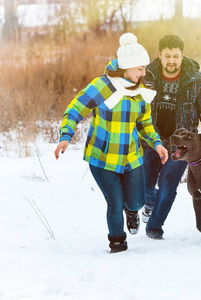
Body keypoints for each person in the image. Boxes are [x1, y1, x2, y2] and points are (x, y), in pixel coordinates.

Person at [54, 33, 168, 254]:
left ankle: (132, 210)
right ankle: (117, 242)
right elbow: (75, 109)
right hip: (102, 158)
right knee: (114, 203)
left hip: (131, 157)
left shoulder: (140, 91)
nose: (144, 73)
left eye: (144, 68)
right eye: (140, 68)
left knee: (135, 202)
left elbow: (145, 124)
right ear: (126, 67)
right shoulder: (102, 86)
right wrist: (66, 136)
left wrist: (157, 144)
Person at [140, 35, 201, 240]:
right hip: (150, 140)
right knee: (145, 184)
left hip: (182, 147)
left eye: (176, 56)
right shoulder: (145, 77)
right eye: (167, 56)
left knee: (168, 185)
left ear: (182, 55)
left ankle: (154, 228)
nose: (171, 61)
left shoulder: (198, 81)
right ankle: (149, 202)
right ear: (159, 55)